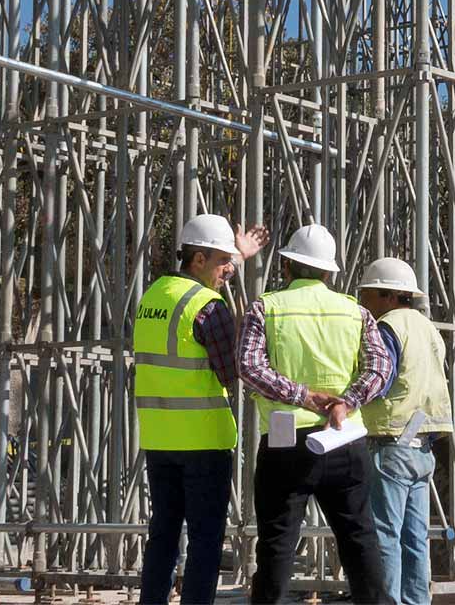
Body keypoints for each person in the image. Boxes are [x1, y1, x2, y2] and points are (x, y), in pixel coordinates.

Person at [238, 224, 393, 604]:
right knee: (359, 539)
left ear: (287, 266)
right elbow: (380, 368)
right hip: (343, 437)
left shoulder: (267, 308)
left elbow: (249, 365)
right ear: (328, 272)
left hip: (284, 440)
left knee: (277, 542)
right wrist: (347, 402)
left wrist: (302, 396)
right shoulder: (354, 312)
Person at [132, 214, 268, 605]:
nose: (229, 269)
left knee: (163, 535)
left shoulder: (154, 296)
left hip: (160, 439)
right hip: (204, 442)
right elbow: (231, 372)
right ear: (198, 260)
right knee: (206, 540)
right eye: (223, 261)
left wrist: (237, 255)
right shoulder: (208, 306)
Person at [357, 257, 453, 605]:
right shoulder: (429, 329)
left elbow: (380, 380)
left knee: (385, 535)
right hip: (423, 446)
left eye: (366, 294)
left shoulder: (389, 327)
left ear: (387, 295)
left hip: (392, 442)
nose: (362, 302)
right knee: (415, 538)